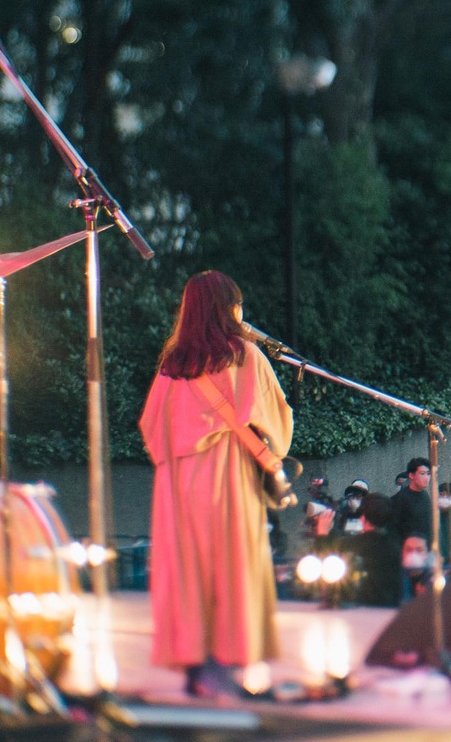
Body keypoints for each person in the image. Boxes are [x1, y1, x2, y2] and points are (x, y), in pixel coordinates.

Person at [139, 270, 293, 698]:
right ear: (231, 308)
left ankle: (197, 667)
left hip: (177, 485)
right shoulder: (244, 355)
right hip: (228, 477)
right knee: (232, 566)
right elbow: (277, 423)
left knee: (187, 572)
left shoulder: (172, 366)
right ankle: (229, 665)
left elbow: (152, 428)